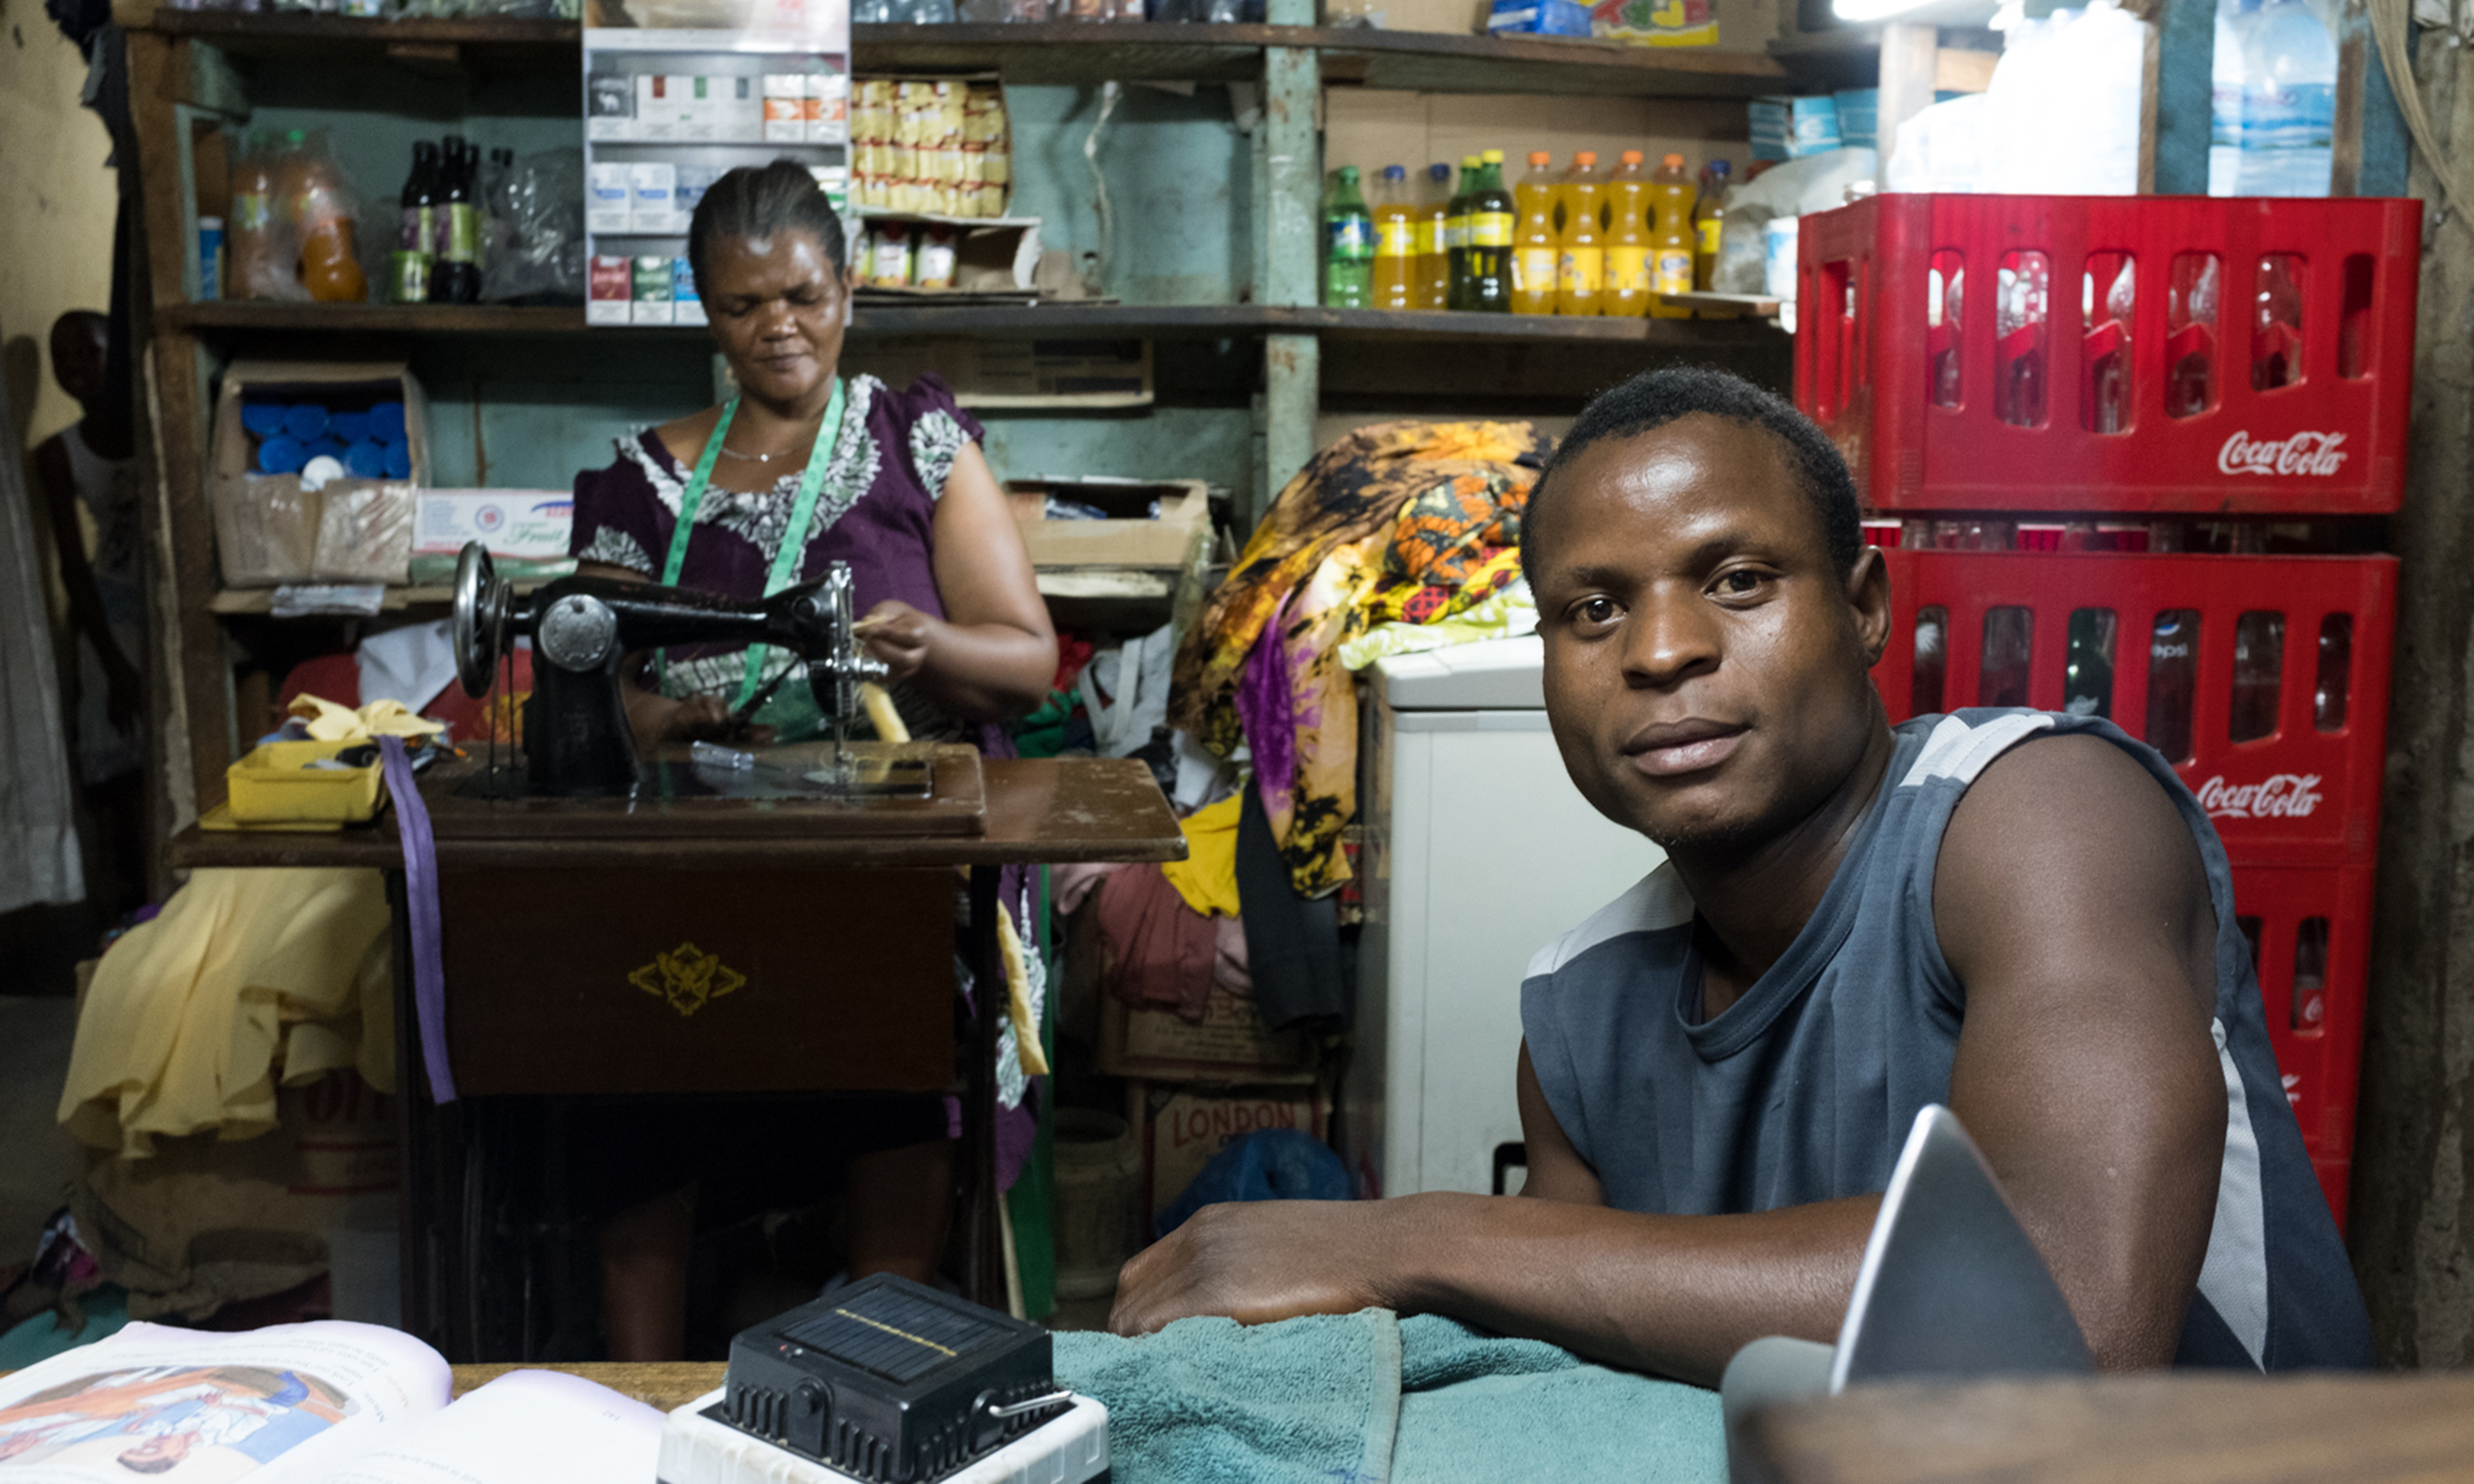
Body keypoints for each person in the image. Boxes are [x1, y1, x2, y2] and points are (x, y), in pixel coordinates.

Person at [1109, 366, 2373, 1379]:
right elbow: (1571, 1387)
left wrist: (1415, 1235)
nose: (1661, 650)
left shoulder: (2034, 815)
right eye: (1592, 611)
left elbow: (2062, 1317)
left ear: (1865, 606)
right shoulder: (1582, 1010)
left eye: (1737, 581)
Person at [566, 160, 1056, 1358]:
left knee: (896, 1042)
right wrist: (655, 719)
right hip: (694, 853)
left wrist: (930, 645)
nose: (777, 327)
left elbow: (1027, 660)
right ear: (705, 310)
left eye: (802, 296)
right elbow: (596, 681)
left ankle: (871, 1361)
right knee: (625, 1067)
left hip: (889, 855)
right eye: (743, 305)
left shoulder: (915, 440)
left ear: (846, 290)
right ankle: (643, 1401)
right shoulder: (638, 479)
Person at [28, 310, 146, 915]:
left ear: (115, 355)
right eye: (63, 358)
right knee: (119, 761)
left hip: (158, 605)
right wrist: (114, 661)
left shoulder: (153, 424)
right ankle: (129, 892)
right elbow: (73, 568)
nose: (75, 367)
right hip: (110, 614)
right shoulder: (59, 452)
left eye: (89, 353)